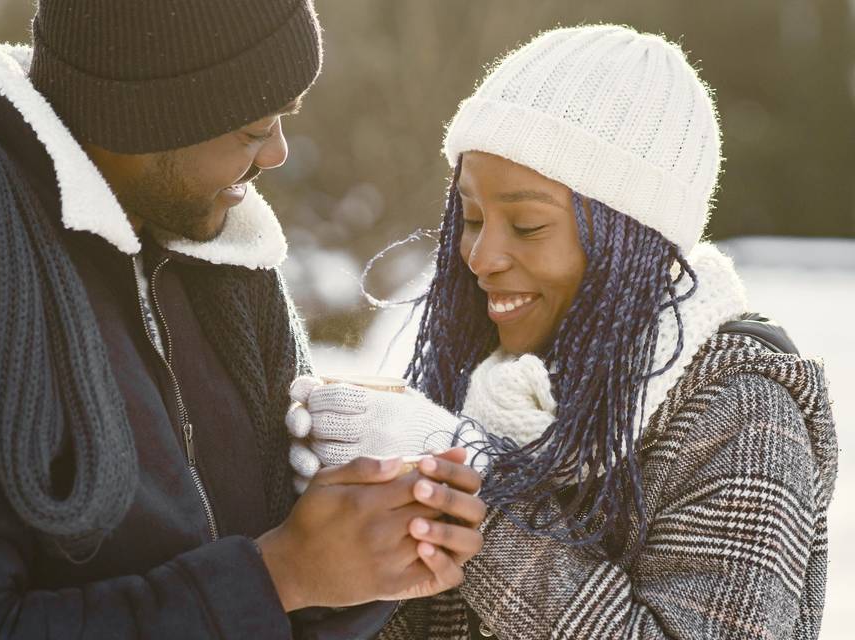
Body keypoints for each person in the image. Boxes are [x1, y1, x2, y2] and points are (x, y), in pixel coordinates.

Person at [0, 1, 486, 638]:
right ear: (144, 115)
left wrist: (376, 538)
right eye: (254, 129)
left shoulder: (223, 258)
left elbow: (291, 584)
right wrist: (278, 576)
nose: (279, 154)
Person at [289, 25, 838, 639]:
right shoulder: (485, 378)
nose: (480, 255)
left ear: (630, 240)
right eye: (470, 217)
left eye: (526, 225)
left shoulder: (740, 413)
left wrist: (469, 493)